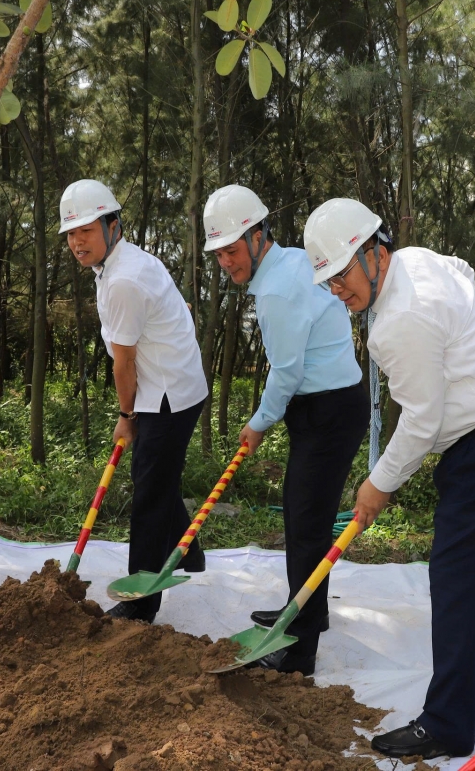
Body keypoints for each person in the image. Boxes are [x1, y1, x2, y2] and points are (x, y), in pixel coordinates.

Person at [302, 199, 475, 759]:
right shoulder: (419, 261)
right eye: (328, 281)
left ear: (373, 252)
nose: (337, 290)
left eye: (341, 274)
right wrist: (466, 333)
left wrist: (378, 482)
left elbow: (421, 420)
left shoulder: (397, 321)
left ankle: (447, 723)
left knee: (459, 579)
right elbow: (461, 271)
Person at [204, 185, 368, 675]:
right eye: (218, 254)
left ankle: (300, 649)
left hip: (328, 411)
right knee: (303, 522)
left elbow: (287, 372)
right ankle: (300, 612)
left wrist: (257, 424)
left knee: (306, 526)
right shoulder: (295, 260)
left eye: (232, 250)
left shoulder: (275, 290)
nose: (225, 262)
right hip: (328, 406)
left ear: (258, 236)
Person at [61, 179, 208, 623]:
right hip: (174, 383)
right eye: (71, 234)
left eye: (86, 230)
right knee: (159, 477)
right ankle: (190, 554)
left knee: (148, 493)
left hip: (165, 395)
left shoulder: (124, 277)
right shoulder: (123, 264)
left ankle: (140, 607)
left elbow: (122, 366)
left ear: (112, 224)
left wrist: (127, 416)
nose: (77, 242)